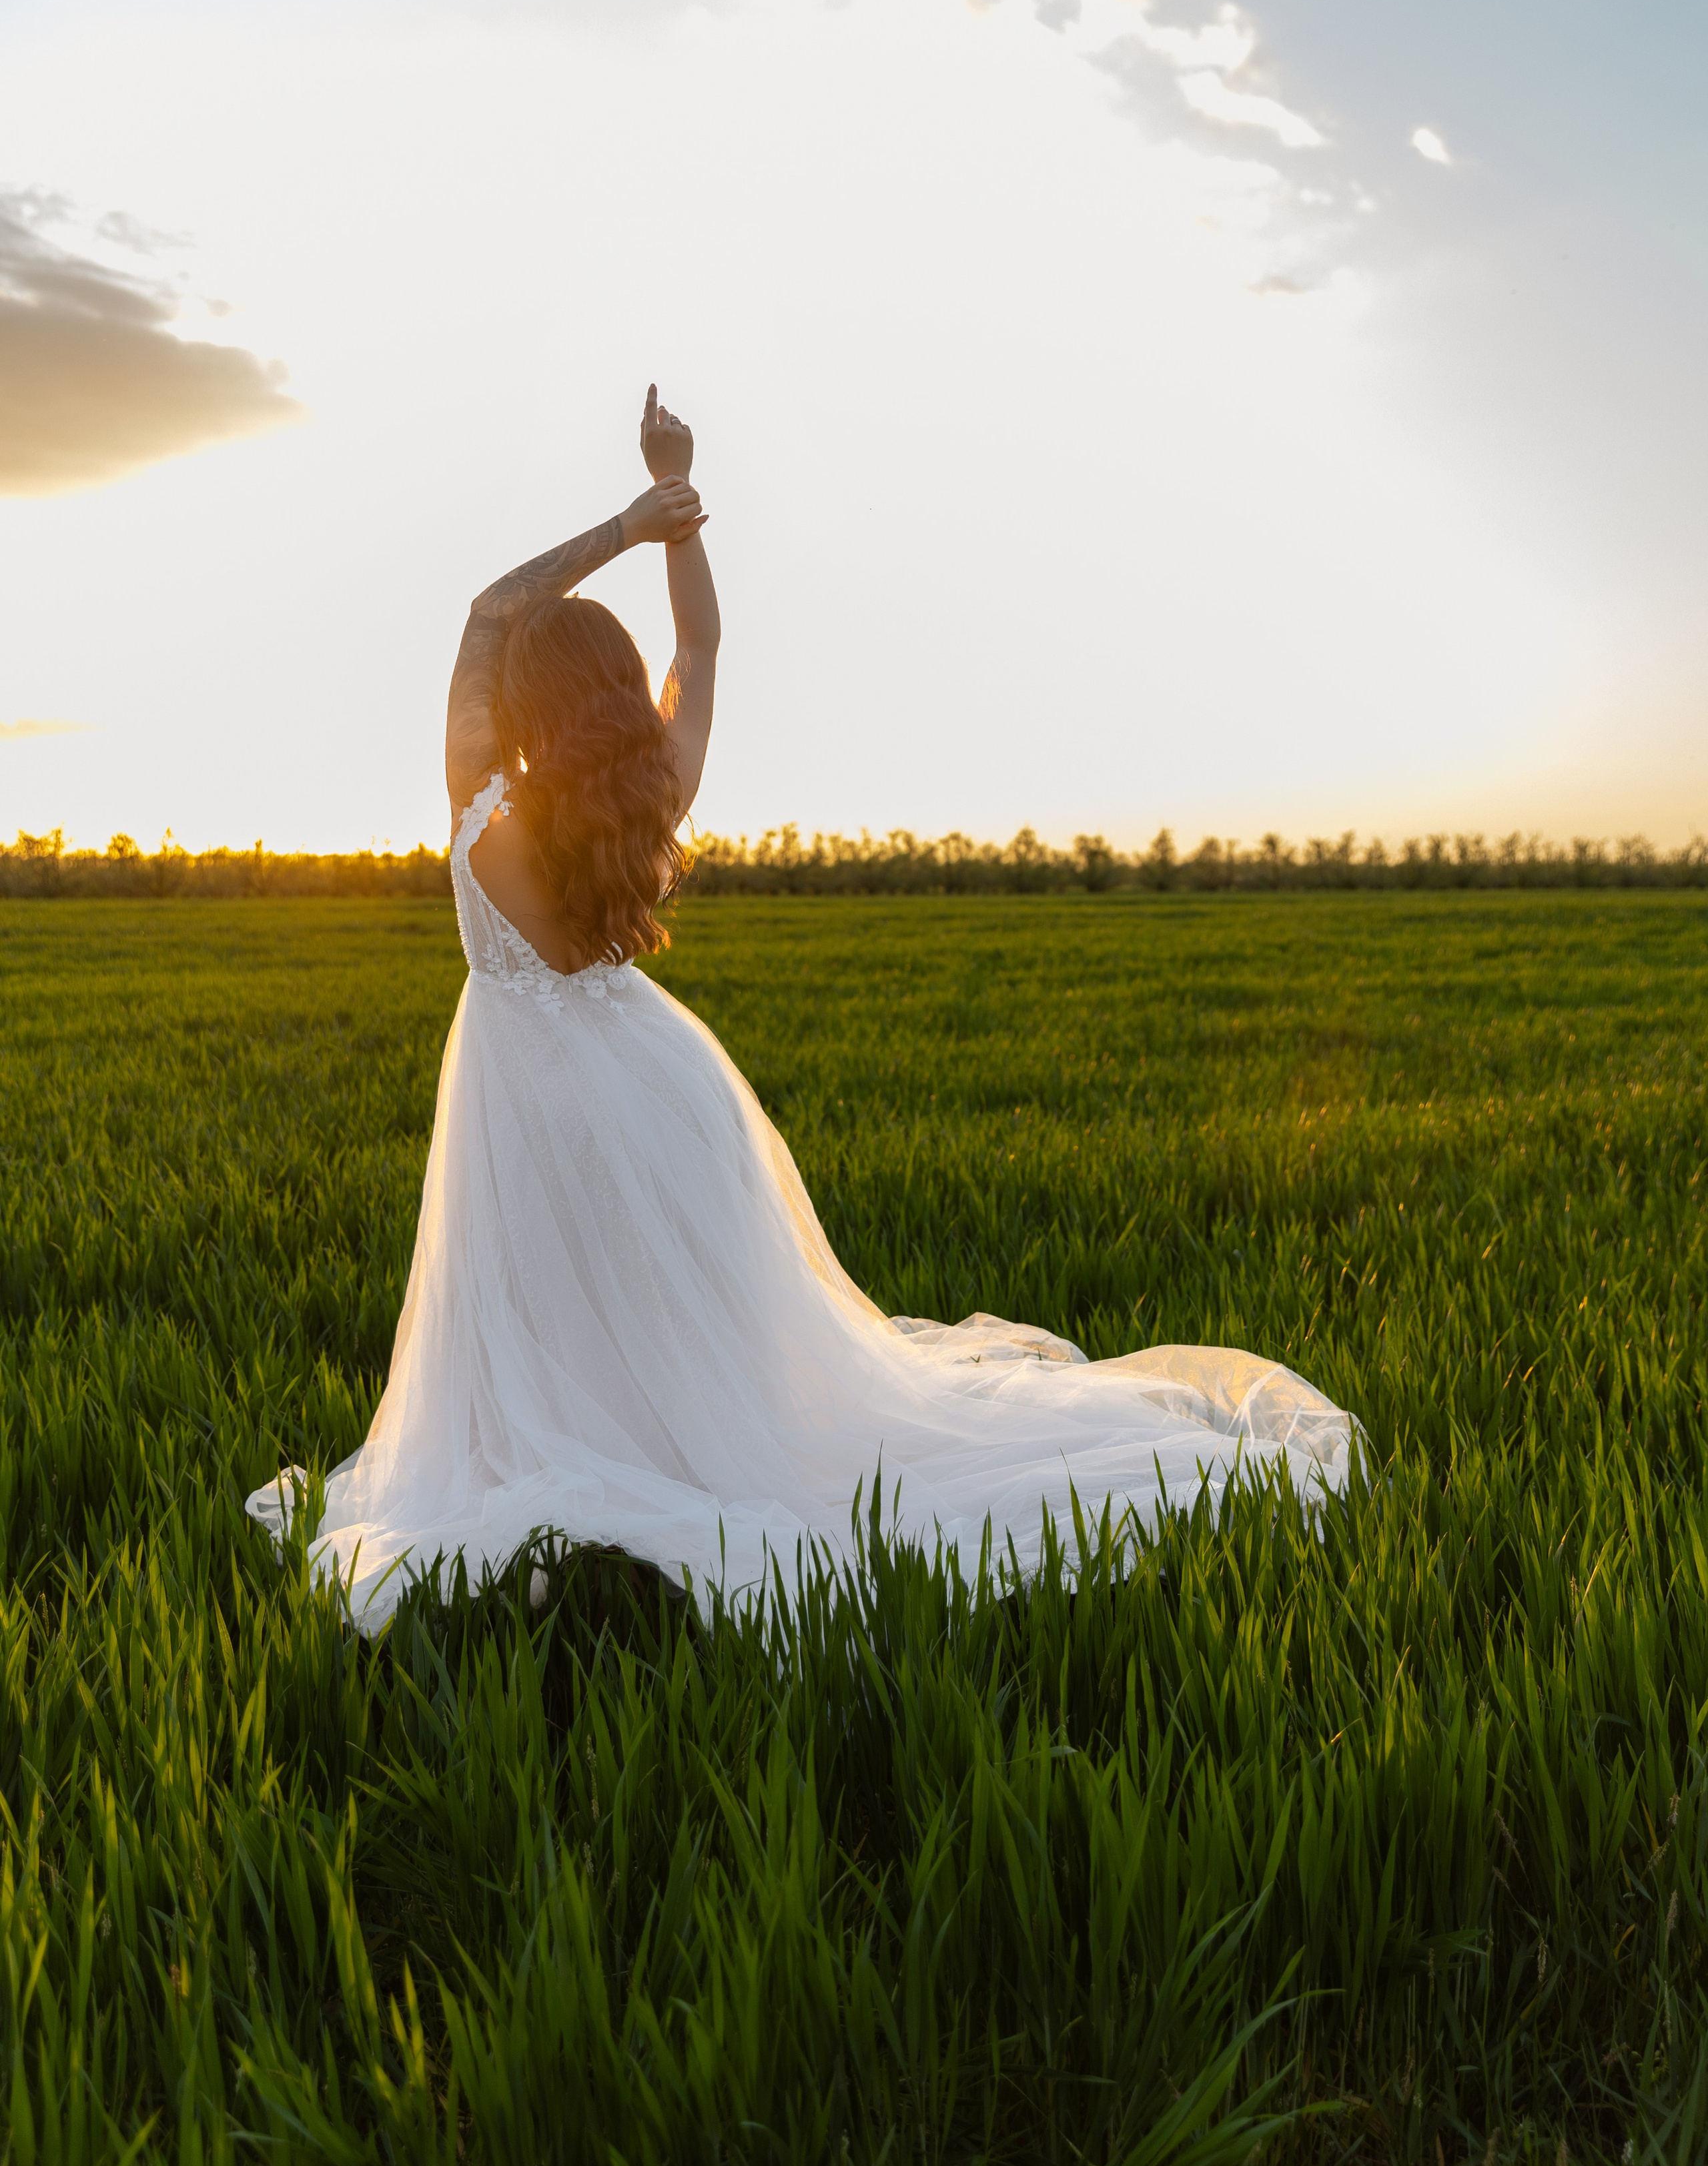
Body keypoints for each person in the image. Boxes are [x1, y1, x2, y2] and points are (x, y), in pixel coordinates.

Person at [249, 388, 1357, 1625]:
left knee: (550, 1327)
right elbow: (702, 654)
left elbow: (486, 610)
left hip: (526, 1109)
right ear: (612, 693)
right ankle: (680, 1482)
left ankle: (597, 1507)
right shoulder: (650, 785)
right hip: (659, 1090)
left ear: (520, 701)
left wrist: (626, 520)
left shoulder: (479, 809)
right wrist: (682, 521)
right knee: (698, 1349)